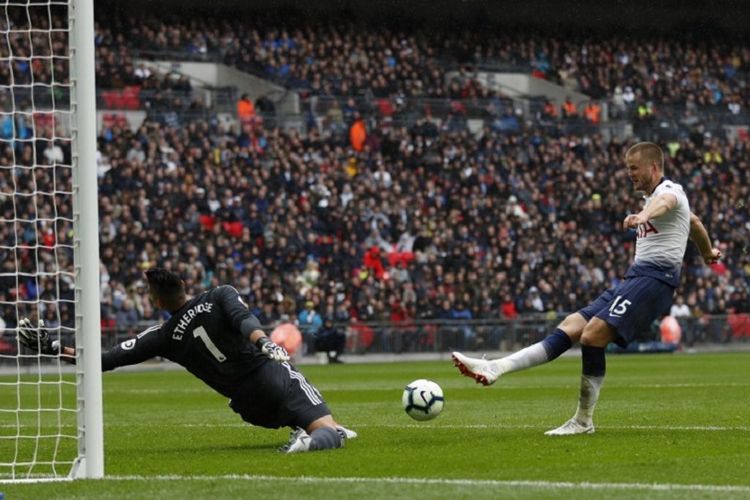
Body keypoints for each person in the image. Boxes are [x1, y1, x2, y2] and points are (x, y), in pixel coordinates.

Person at [452, 142, 721, 435]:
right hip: (635, 277)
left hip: (656, 280)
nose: (629, 173)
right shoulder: (654, 198)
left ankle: (583, 421)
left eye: (634, 167)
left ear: (653, 167)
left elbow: (667, 202)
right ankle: (496, 368)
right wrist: (707, 253)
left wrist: (644, 216)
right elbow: (693, 222)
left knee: (592, 335)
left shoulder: (670, 190)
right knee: (572, 326)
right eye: (627, 168)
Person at [18, 267, 356, 453]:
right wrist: (265, 342)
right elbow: (243, 319)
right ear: (185, 284)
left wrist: (53, 349)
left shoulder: (162, 335)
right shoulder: (220, 294)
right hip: (270, 375)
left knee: (303, 417)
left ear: (158, 300)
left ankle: (302, 429)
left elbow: (105, 360)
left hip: (249, 406)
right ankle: (312, 439)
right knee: (333, 432)